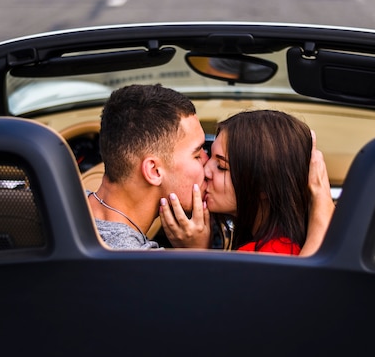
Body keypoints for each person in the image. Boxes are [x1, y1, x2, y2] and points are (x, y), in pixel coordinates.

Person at [159, 109, 335, 256]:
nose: (205, 171)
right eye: (208, 155)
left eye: (221, 167)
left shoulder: (268, 255)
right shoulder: (280, 248)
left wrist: (196, 253)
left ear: (263, 187)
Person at [87, 83, 211, 249]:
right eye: (197, 155)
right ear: (154, 171)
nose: (208, 162)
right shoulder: (145, 266)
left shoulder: (55, 208)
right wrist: (198, 252)